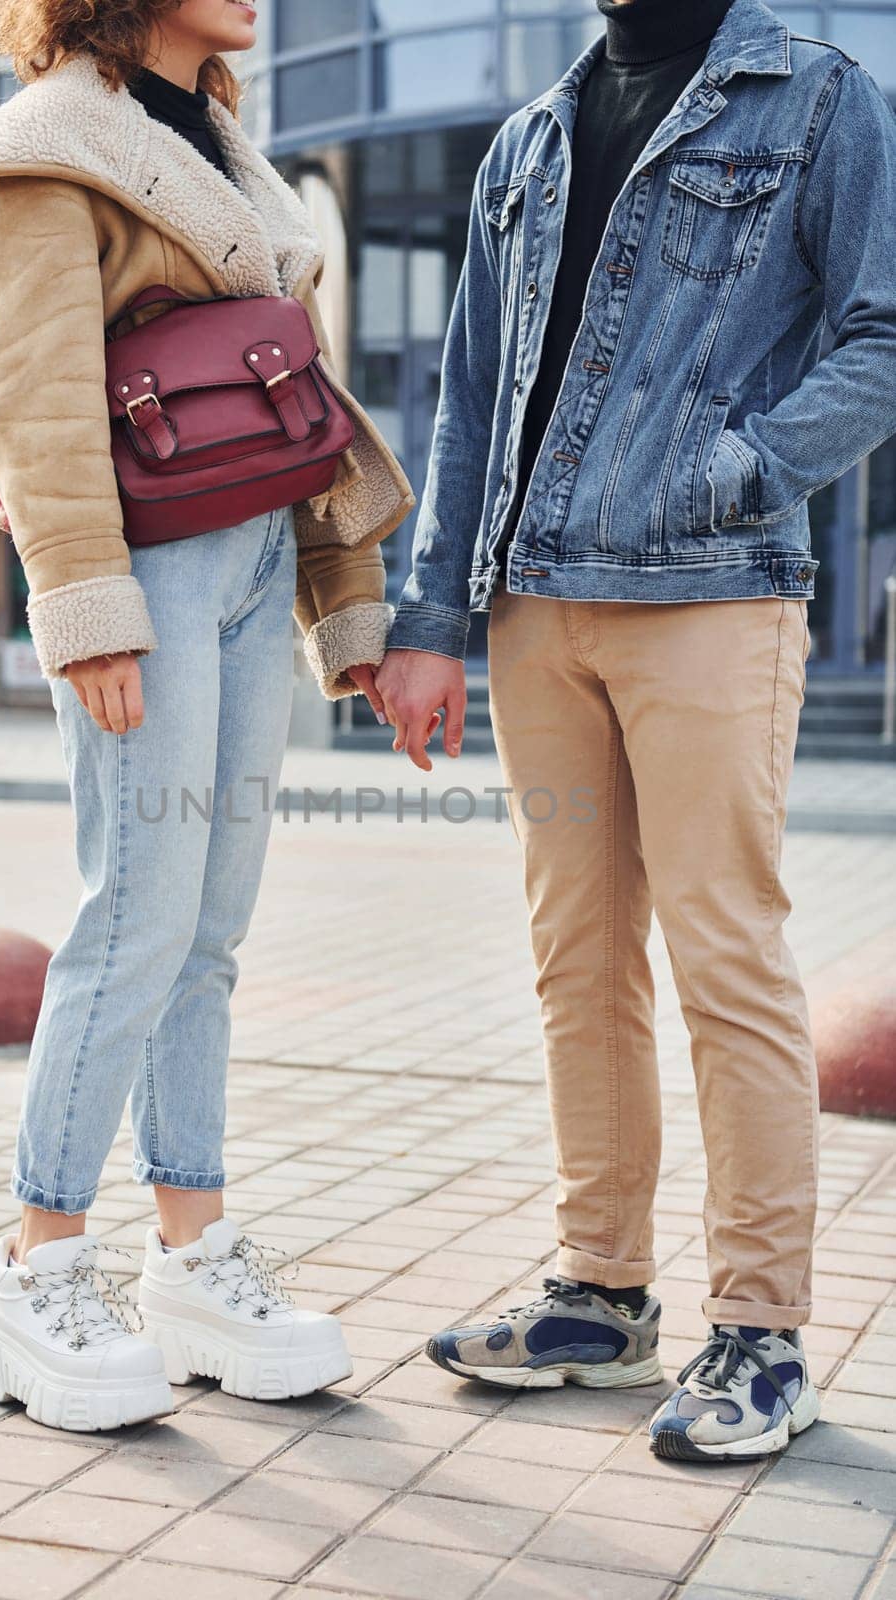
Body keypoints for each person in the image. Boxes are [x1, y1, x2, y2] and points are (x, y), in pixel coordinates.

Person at [378, 0, 896, 1462]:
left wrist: (743, 468)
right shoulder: (529, 138)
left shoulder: (812, 98)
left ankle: (760, 1331)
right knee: (575, 962)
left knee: (722, 954)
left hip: (709, 594)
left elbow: (881, 331)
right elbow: (468, 398)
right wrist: (430, 617)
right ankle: (599, 1297)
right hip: (536, 603)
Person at [0, 0, 413, 1432]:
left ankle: (191, 1254)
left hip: (256, 556)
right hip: (143, 566)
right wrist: (82, 600)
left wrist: (345, 606)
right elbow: (32, 389)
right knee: (135, 916)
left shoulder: (229, 151)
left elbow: (305, 404)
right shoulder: (45, 145)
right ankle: (35, 1271)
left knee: (208, 930)